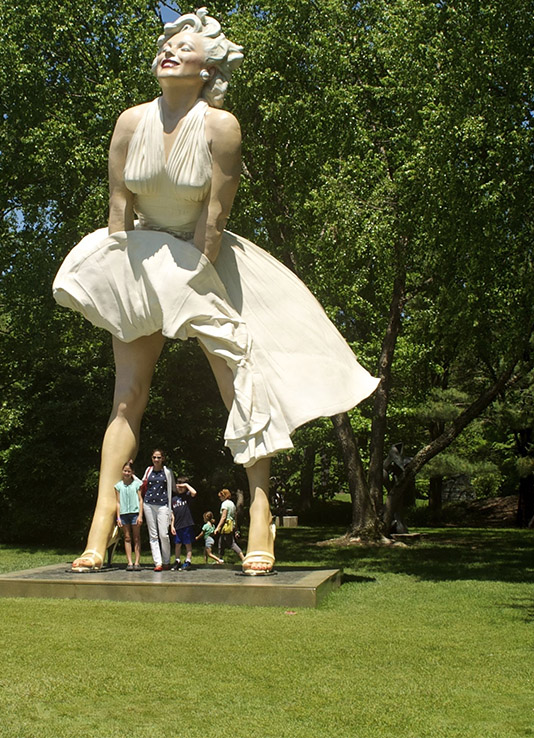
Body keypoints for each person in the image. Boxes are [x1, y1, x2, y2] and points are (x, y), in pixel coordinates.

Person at [54, 8, 378, 574]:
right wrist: (120, 281)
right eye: (167, 43)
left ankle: (260, 518)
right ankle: (98, 530)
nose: (170, 50)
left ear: (210, 67)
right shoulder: (131, 121)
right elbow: (117, 212)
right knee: (126, 396)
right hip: (140, 256)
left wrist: (194, 282)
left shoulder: (220, 128)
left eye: (185, 45)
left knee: (238, 389)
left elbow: (214, 218)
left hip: (203, 262)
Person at [138, 450, 174, 572]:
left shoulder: (167, 472)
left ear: (163, 458)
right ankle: (157, 562)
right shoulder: (148, 471)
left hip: (163, 504)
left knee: (164, 534)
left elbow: (172, 488)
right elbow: (141, 484)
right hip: (148, 504)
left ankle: (166, 561)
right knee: (153, 535)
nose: (156, 459)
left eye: (159, 457)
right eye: (154, 457)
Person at [114, 459, 143, 571]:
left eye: (129, 471)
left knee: (136, 537)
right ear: (122, 471)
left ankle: (137, 562)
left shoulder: (137, 484)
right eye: (125, 471)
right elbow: (118, 502)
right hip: (124, 514)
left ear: (132, 472)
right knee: (127, 537)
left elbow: (140, 500)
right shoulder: (118, 486)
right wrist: (118, 517)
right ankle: (129, 562)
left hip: (135, 513)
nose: (126, 473)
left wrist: (140, 515)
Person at [170, 477, 198, 570]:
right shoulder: (173, 499)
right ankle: (177, 560)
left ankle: (188, 561)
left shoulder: (188, 495)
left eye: (182, 486)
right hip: (177, 525)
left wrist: (186, 485)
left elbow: (194, 492)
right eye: (179, 486)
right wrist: (172, 525)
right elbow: (172, 514)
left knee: (187, 543)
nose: (180, 488)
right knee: (177, 544)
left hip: (187, 523)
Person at [215, 488, 244, 563]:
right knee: (221, 542)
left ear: (224, 496)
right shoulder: (232, 504)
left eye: (220, 496)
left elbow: (224, 517)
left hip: (226, 526)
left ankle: (243, 558)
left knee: (232, 544)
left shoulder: (224, 504)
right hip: (231, 525)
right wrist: (236, 529)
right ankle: (220, 559)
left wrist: (218, 527)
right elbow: (235, 516)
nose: (219, 498)